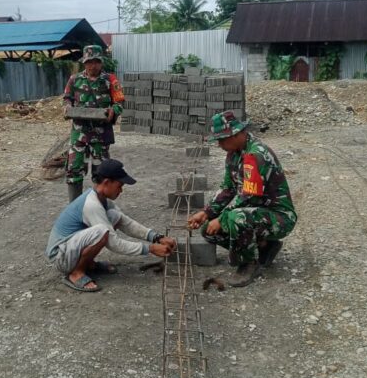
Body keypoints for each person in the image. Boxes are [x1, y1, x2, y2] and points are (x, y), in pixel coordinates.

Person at [188, 111, 297, 288]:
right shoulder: (234, 154)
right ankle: (264, 247)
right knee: (208, 231)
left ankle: (248, 264)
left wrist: (222, 218)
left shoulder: (256, 155)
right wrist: (206, 213)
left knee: (235, 218)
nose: (220, 144)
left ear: (238, 133)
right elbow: (228, 188)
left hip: (279, 217)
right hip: (257, 213)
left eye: (223, 139)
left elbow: (249, 197)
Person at [47, 158, 177, 292]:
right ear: (107, 182)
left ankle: (89, 265)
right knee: (102, 231)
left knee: (114, 216)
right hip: (60, 256)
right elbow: (113, 243)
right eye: (119, 186)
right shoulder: (91, 205)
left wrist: (156, 237)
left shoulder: (101, 198)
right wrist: (150, 249)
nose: (121, 190)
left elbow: (126, 222)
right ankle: (76, 273)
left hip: (69, 248)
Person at [63, 44, 124, 202]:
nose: (93, 65)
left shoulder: (110, 80)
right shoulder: (74, 79)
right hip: (79, 134)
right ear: (84, 62)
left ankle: (99, 204)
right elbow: (67, 98)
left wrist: (114, 110)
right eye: (90, 62)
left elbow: (120, 102)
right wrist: (67, 107)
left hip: (100, 135)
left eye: (96, 61)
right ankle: (74, 206)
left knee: (101, 173)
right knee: (74, 169)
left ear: (101, 62)